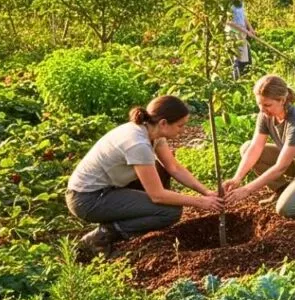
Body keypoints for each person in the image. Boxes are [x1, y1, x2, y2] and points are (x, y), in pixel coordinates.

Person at [66, 96, 223, 257]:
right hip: (87, 200)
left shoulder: (152, 133)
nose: (182, 130)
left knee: (161, 171)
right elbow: (157, 196)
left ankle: (128, 218)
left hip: (108, 189)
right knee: (170, 211)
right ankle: (102, 236)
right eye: (180, 126)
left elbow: (174, 168)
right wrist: (200, 203)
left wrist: (206, 192)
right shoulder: (138, 144)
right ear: (163, 123)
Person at [225, 75, 295, 216]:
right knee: (247, 147)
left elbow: (281, 167)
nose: (262, 110)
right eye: (259, 104)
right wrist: (237, 178)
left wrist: (247, 189)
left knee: (286, 210)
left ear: (282, 100)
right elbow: (255, 147)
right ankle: (282, 189)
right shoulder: (265, 115)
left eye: (267, 105)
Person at [228, 0, 255, 79]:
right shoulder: (229, 4)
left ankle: (245, 78)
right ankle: (236, 80)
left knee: (246, 59)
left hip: (243, 31)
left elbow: (243, 16)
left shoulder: (239, 2)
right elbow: (230, 23)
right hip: (234, 32)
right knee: (238, 58)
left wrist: (250, 28)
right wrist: (246, 32)